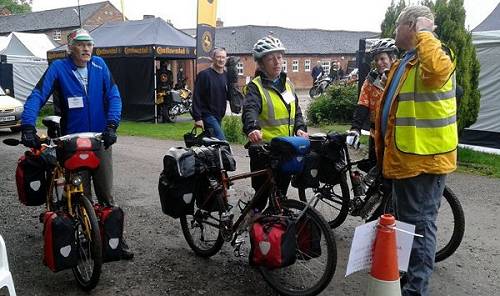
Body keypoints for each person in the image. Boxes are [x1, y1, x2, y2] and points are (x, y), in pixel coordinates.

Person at [20, 28, 134, 260]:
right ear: (70, 47)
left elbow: (114, 95)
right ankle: (83, 236)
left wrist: (112, 125)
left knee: (107, 194)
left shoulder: (100, 66)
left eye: (89, 44)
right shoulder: (58, 68)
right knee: (80, 192)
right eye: (81, 44)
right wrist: (28, 126)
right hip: (71, 141)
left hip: (99, 139)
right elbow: (37, 95)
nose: (86, 49)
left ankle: (114, 240)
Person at [373, 6, 457, 296]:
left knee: (419, 226)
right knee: (407, 226)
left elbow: (438, 71)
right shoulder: (405, 61)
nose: (394, 32)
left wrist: (425, 30)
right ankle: (407, 281)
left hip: (424, 160)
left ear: (411, 26)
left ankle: (415, 290)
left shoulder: (434, 55)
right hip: (405, 158)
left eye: (398, 26)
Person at [242, 36, 308, 211]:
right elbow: (250, 110)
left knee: (280, 196)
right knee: (261, 198)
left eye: (279, 57)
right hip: (264, 151)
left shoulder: (288, 85)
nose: (277, 62)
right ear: (261, 63)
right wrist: (252, 128)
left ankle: (274, 229)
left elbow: (297, 111)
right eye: (271, 58)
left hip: (286, 149)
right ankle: (251, 226)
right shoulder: (255, 87)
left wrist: (300, 128)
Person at [347, 38, 398, 171]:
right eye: (376, 60)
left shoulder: (401, 76)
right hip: (376, 133)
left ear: (392, 58)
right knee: (375, 169)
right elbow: (363, 104)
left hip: (396, 133)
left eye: (382, 59)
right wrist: (355, 128)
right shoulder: (372, 79)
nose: (379, 63)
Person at [192, 47, 229, 140]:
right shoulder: (204, 75)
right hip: (207, 115)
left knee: (212, 144)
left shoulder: (225, 75)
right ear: (213, 58)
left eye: (223, 57)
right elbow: (197, 97)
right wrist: (198, 118)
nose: (221, 60)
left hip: (219, 115)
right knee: (222, 142)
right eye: (219, 57)